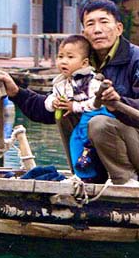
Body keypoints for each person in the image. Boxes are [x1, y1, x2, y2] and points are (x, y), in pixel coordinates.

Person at [0, 0, 139, 186]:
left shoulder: (138, 60)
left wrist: (119, 103)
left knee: (99, 122)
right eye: (91, 24)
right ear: (84, 32)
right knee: (63, 111)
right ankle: (87, 176)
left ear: (119, 28)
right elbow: (46, 110)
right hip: (97, 148)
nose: (97, 29)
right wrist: (16, 92)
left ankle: (125, 179)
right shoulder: (80, 61)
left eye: (104, 22)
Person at [44, 35, 105, 179]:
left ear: (84, 63)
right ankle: (83, 174)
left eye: (70, 57)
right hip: (80, 120)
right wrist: (54, 103)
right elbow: (49, 99)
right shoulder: (61, 83)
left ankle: (89, 174)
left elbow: (98, 102)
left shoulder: (91, 81)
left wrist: (75, 106)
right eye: (60, 57)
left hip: (96, 116)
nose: (63, 61)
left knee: (81, 141)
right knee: (75, 142)